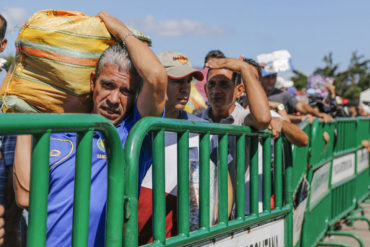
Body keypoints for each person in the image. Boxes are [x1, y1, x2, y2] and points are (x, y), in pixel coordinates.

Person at [13, 11, 167, 247]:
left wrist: (119, 29)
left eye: (125, 91)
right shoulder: (55, 130)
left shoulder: (133, 133)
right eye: (107, 85)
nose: (114, 98)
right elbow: (25, 197)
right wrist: (26, 110)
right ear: (93, 80)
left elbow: (156, 77)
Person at [138, 51, 233, 244]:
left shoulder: (203, 129)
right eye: (176, 80)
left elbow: (224, 178)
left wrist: (216, 224)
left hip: (181, 238)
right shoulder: (137, 122)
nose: (184, 88)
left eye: (188, 81)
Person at [260, 69, 333, 123]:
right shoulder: (254, 94)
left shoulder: (284, 94)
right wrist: (299, 118)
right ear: (261, 78)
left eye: (273, 77)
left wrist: (318, 114)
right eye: (267, 77)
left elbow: (301, 106)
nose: (270, 81)